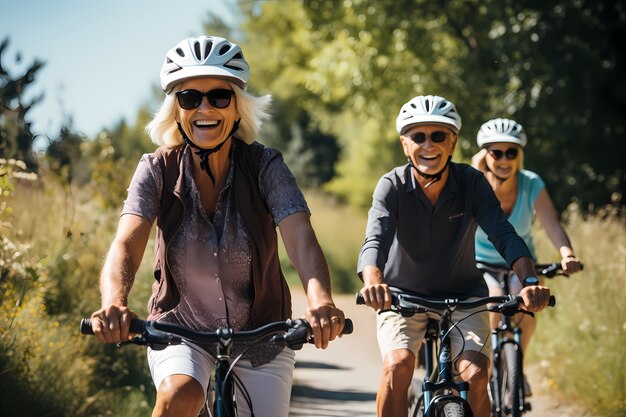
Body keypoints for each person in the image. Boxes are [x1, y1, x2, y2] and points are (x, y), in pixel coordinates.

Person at [89, 35, 347, 417]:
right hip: (180, 331)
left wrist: (321, 301)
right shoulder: (157, 169)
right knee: (179, 397)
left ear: (238, 108)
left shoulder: (265, 166)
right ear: (175, 110)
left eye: (219, 97)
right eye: (190, 97)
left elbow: (301, 239)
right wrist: (114, 302)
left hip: (261, 335)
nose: (204, 107)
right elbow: (127, 242)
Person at [357, 95, 552, 417]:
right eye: (418, 136)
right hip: (402, 298)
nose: (428, 144)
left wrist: (529, 280)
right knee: (397, 365)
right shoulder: (391, 184)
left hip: (464, 298)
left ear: (453, 142)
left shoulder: (471, 182)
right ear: (405, 144)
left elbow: (503, 234)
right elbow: (375, 240)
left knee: (476, 375)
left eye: (438, 136)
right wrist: (374, 282)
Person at [472, 117, 582, 394]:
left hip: (521, 263)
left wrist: (567, 254)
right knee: (494, 295)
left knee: (527, 298)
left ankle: (516, 365)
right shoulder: (473, 183)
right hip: (481, 263)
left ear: (519, 155)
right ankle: (487, 368)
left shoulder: (530, 182)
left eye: (511, 152)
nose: (504, 159)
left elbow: (552, 225)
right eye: (496, 152)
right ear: (486, 155)